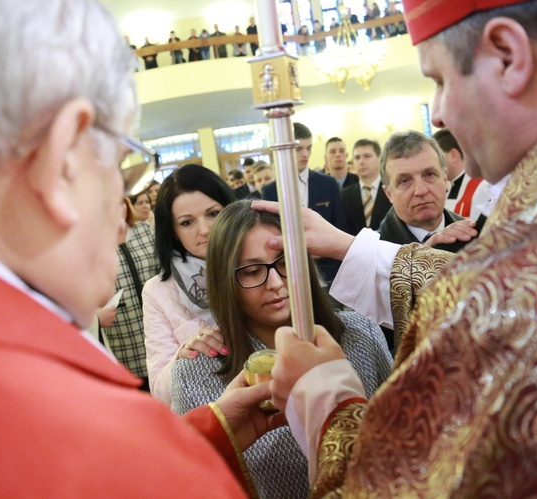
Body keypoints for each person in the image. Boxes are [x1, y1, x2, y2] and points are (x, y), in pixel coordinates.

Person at [0, 0, 283, 495]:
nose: (122, 226)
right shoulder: (72, 432)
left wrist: (205, 437)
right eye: (122, 169)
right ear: (64, 163)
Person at [263, 0, 537, 495]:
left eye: (439, 79)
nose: (437, 110)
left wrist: (323, 398)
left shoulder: (517, 291)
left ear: (508, 56)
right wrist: (346, 246)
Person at [170, 201, 393, 499]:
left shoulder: (359, 332)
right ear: (226, 282)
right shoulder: (195, 372)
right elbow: (193, 481)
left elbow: (401, 438)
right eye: (251, 271)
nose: (275, 283)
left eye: (284, 261)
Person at [142, 165, 235, 405]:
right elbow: (159, 391)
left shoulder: (263, 265)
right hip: (208, 414)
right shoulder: (158, 292)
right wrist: (182, 358)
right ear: (172, 231)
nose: (204, 230)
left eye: (213, 213)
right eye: (187, 222)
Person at [262, 123, 348, 286]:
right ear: (285, 149)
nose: (305, 154)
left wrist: (324, 248)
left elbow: (340, 226)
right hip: (287, 274)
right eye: (299, 149)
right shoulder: (270, 191)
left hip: (328, 273)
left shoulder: (328, 183)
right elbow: (269, 237)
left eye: (309, 148)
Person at [376, 130, 480, 253]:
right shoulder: (375, 254)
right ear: (389, 194)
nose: (421, 191)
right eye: (404, 181)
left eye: (430, 174)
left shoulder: (476, 237)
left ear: (445, 178)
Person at [98, 198, 159, 388]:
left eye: (121, 202)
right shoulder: (94, 243)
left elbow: (163, 271)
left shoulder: (144, 230)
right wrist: (96, 316)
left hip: (156, 325)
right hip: (122, 332)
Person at [433, 128, 491, 221]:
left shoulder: (482, 187)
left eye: (436, 156)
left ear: (453, 155)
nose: (433, 163)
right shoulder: (445, 187)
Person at [341, 138, 391, 235]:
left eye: (367, 156)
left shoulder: (391, 190)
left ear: (380, 158)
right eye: (357, 158)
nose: (361, 162)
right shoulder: (344, 195)